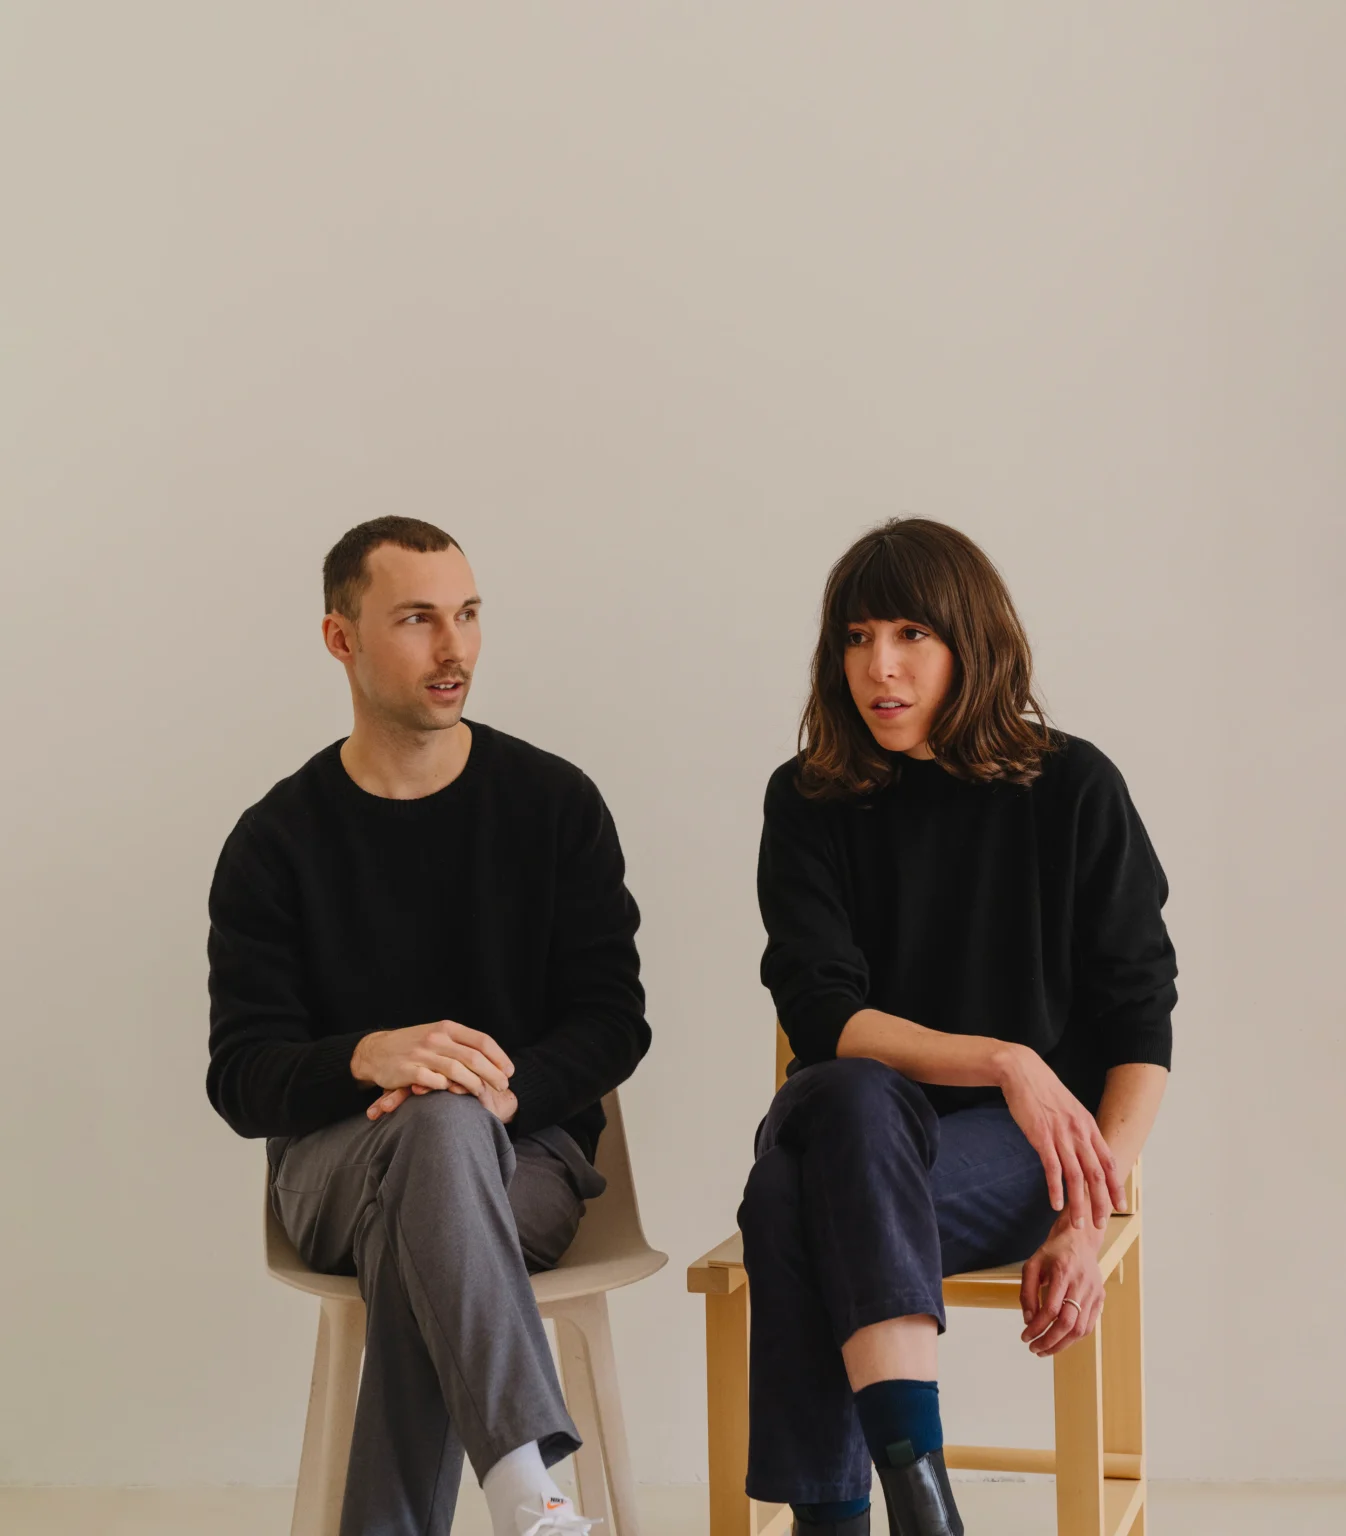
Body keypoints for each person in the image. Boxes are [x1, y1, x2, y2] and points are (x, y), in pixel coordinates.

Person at [206, 517, 650, 1536]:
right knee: (434, 1143)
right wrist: (368, 1058)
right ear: (341, 638)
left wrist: (499, 1094)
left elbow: (612, 1021)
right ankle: (528, 1490)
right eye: (416, 619)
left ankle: (519, 1500)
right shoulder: (276, 841)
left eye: (468, 615)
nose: (454, 648)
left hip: (523, 1160)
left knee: (440, 1165)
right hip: (331, 1168)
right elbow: (241, 1077)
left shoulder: (554, 805)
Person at [739, 518, 1176, 1536]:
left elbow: (1139, 1020)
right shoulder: (807, 799)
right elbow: (821, 1010)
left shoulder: (1074, 788)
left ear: (970, 643)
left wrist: (1085, 1216)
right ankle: (922, 1504)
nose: (877, 668)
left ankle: (849, 1519)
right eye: (856, 638)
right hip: (853, 1121)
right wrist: (1005, 1058)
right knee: (850, 1097)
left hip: (1018, 1157)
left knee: (787, 1201)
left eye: (910, 635)